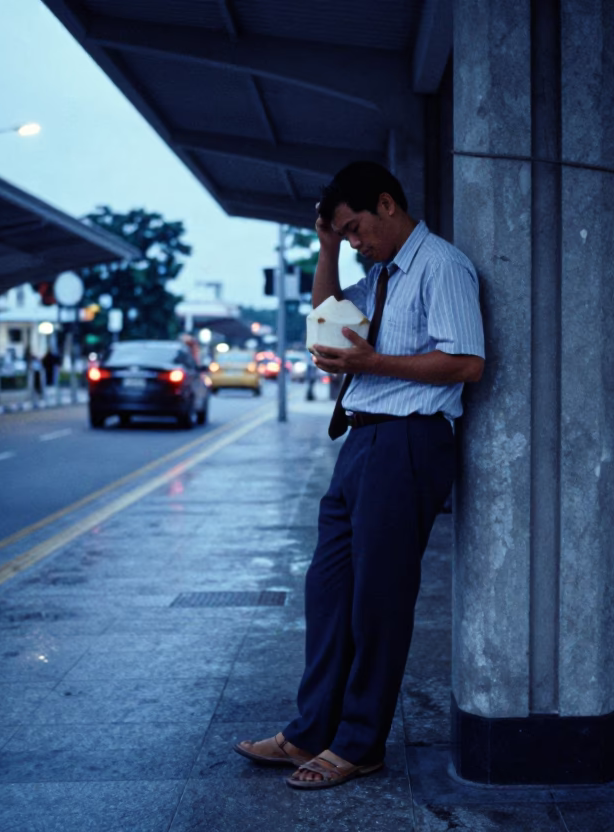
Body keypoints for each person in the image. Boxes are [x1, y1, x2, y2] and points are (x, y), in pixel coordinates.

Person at [234, 161, 485, 789]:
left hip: (409, 442)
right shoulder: (379, 278)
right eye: (343, 235)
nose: (354, 242)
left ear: (387, 204)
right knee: (329, 591)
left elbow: (467, 362)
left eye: (354, 229)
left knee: (378, 601)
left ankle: (359, 743)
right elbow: (327, 319)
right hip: (363, 441)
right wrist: (324, 248)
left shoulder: (441, 266)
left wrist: (373, 360)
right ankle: (310, 731)